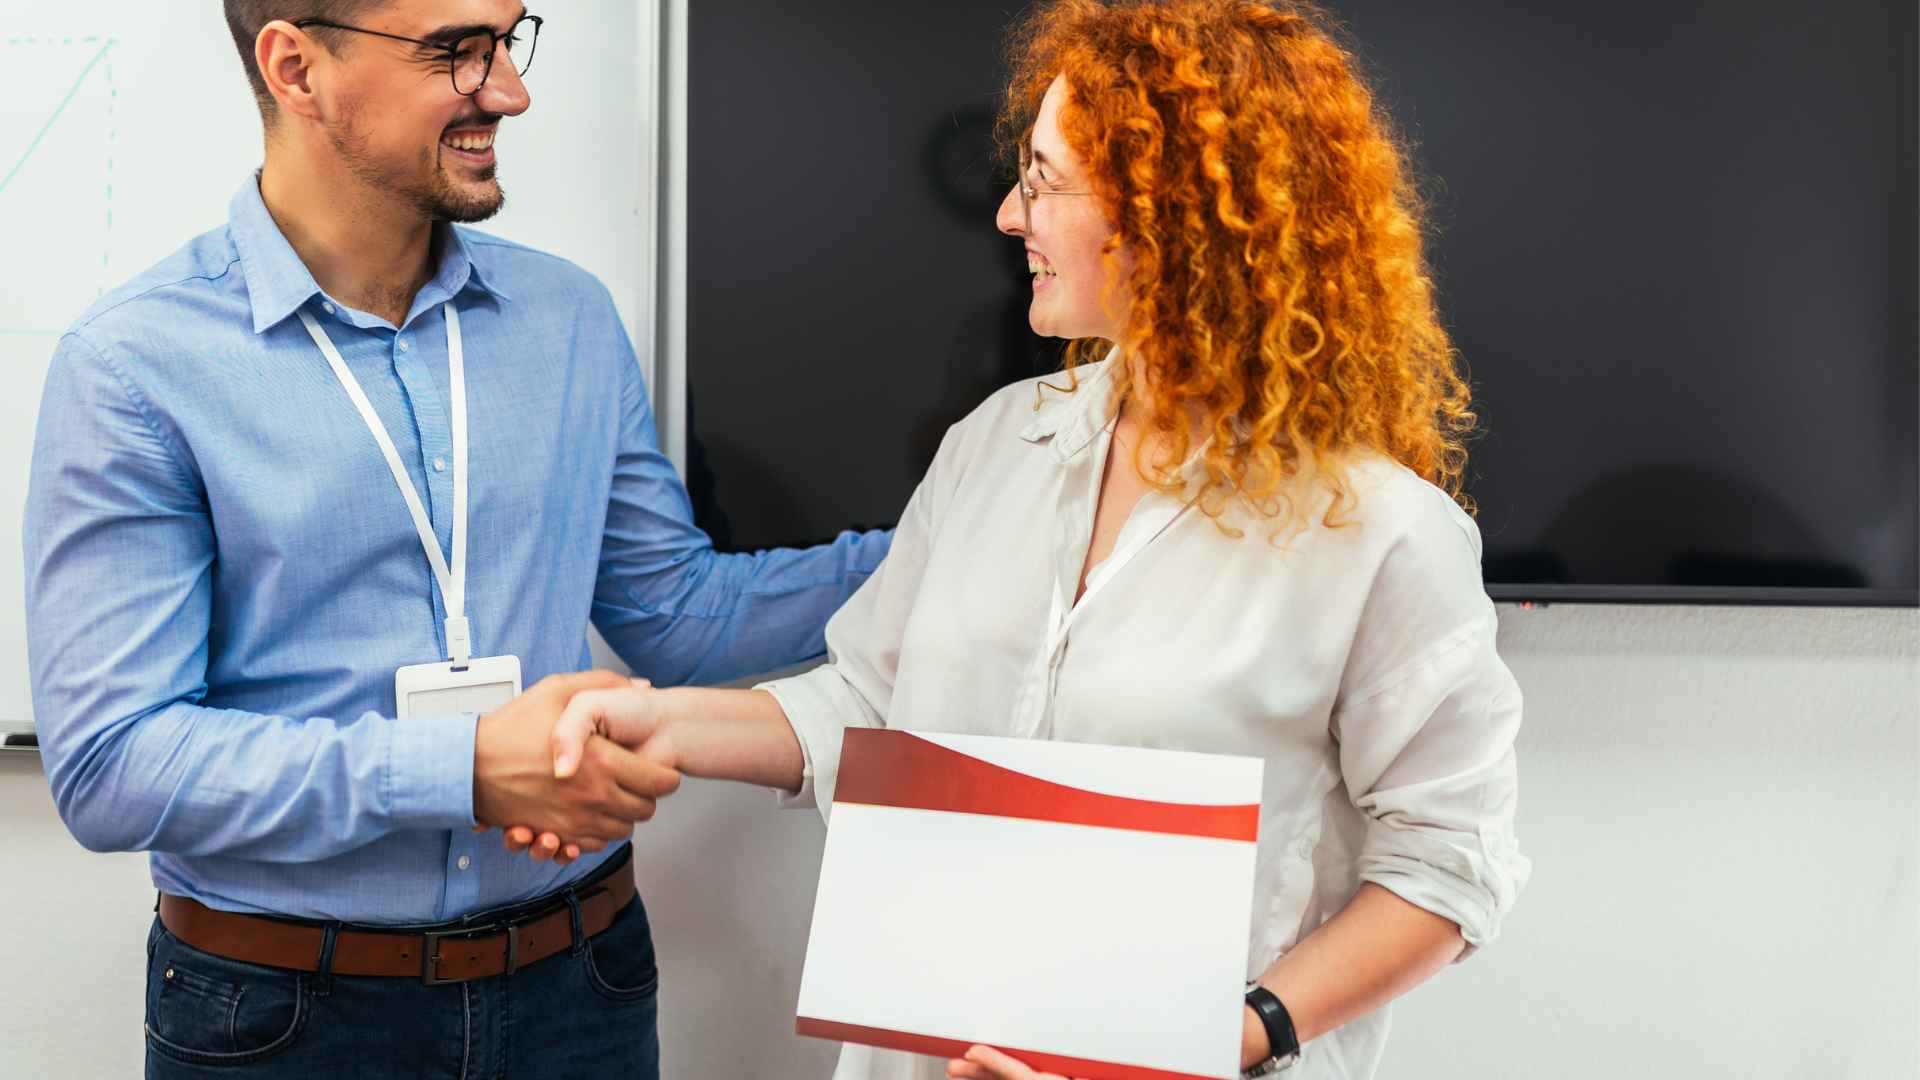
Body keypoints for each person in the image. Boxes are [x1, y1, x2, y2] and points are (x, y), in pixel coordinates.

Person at [522, 2, 1530, 1077]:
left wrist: (1214, 1037)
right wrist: (657, 724)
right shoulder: (1001, 440)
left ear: (1168, 212)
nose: (1010, 214)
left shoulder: (1382, 533)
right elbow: (871, 701)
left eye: (1046, 181)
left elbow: (1447, 870)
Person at [22, 2, 889, 1077]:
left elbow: (680, 618)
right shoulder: (136, 367)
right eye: (455, 53)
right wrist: (464, 770)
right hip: (285, 1017)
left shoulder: (568, 317)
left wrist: (951, 538)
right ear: (296, 67)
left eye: (508, 42)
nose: (509, 92)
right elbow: (114, 764)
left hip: (582, 982)